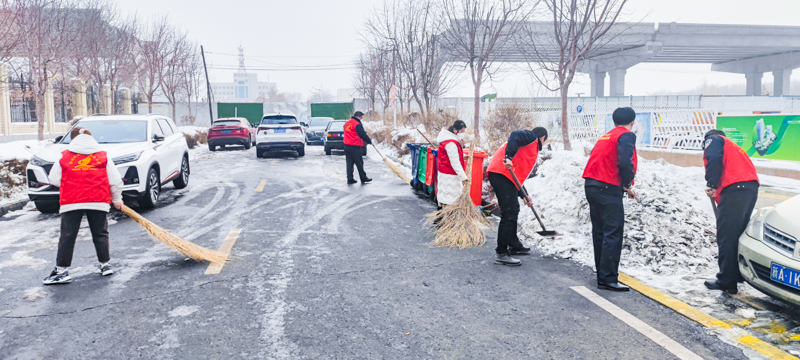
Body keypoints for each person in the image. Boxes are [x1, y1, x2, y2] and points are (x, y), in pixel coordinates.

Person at [43, 127, 124, 285]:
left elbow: (53, 179)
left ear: (73, 139)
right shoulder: (103, 156)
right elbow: (115, 180)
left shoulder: (65, 156)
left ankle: (61, 271)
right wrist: (117, 199)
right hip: (98, 200)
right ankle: (105, 265)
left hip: (72, 200)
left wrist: (71, 184)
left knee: (68, 235)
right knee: (100, 233)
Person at [582, 107, 638, 292]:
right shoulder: (626, 135)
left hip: (592, 185)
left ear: (614, 122)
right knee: (613, 232)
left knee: (599, 231)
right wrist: (628, 182)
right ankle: (608, 278)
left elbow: (607, 161)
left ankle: (602, 274)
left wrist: (623, 186)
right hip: (607, 187)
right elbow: (624, 162)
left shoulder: (606, 136)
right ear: (632, 122)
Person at [702, 129, 759, 294]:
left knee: (726, 235)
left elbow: (713, 159)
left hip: (735, 188)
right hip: (749, 187)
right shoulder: (732, 147)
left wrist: (711, 183)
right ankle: (736, 274)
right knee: (737, 233)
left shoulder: (713, 139)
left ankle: (726, 281)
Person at [487, 127, 548, 266]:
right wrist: (508, 156)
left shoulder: (527, 147)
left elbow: (518, 175)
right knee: (509, 212)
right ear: (543, 137)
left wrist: (524, 195)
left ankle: (513, 244)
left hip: (505, 175)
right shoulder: (531, 137)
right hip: (501, 173)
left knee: (514, 208)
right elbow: (515, 134)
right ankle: (502, 252)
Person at [435, 120, 469, 208]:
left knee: (445, 198)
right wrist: (463, 176)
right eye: (461, 131)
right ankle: (444, 218)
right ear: (455, 130)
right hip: (450, 175)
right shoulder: (451, 143)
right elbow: (454, 162)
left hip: (445, 172)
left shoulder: (449, 140)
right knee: (450, 200)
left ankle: (439, 218)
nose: (463, 134)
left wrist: (463, 156)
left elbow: (451, 155)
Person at [343, 111, 373, 184]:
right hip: (355, 146)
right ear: (358, 117)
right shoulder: (357, 124)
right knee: (359, 163)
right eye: (361, 117)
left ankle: (350, 179)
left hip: (347, 146)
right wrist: (369, 141)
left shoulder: (347, 123)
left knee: (349, 163)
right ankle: (363, 178)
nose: (361, 118)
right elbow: (362, 134)